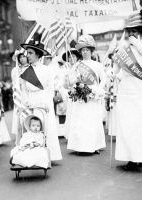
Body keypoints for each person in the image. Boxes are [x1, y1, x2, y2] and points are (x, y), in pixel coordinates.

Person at [112, 9, 142, 170]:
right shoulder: (122, 50)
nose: (132, 34)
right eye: (130, 31)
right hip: (126, 91)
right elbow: (115, 71)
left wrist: (137, 44)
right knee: (128, 125)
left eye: (135, 31)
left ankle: (141, 157)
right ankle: (131, 159)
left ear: (141, 32)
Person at [20, 33, 62, 161]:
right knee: (31, 129)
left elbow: (50, 89)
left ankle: (49, 155)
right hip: (31, 103)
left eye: (30, 53)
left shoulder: (47, 70)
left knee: (46, 128)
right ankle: (34, 156)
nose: (27, 55)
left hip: (44, 103)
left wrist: (46, 103)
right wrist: (26, 102)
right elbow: (23, 90)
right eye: (27, 53)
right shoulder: (24, 72)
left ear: (38, 55)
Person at [65, 35, 106, 154]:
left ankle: (95, 146)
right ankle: (80, 147)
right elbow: (70, 82)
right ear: (80, 52)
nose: (85, 52)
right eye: (83, 50)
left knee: (93, 120)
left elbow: (104, 79)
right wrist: (74, 80)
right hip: (80, 96)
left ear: (91, 51)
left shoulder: (97, 65)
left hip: (93, 95)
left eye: (87, 50)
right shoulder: (76, 65)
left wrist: (98, 90)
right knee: (81, 121)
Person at [11, 52, 29, 137]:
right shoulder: (15, 70)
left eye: (24, 57)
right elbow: (14, 83)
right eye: (20, 57)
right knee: (19, 114)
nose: (22, 59)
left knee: (28, 112)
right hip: (20, 93)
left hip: (28, 93)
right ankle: (21, 135)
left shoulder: (30, 68)